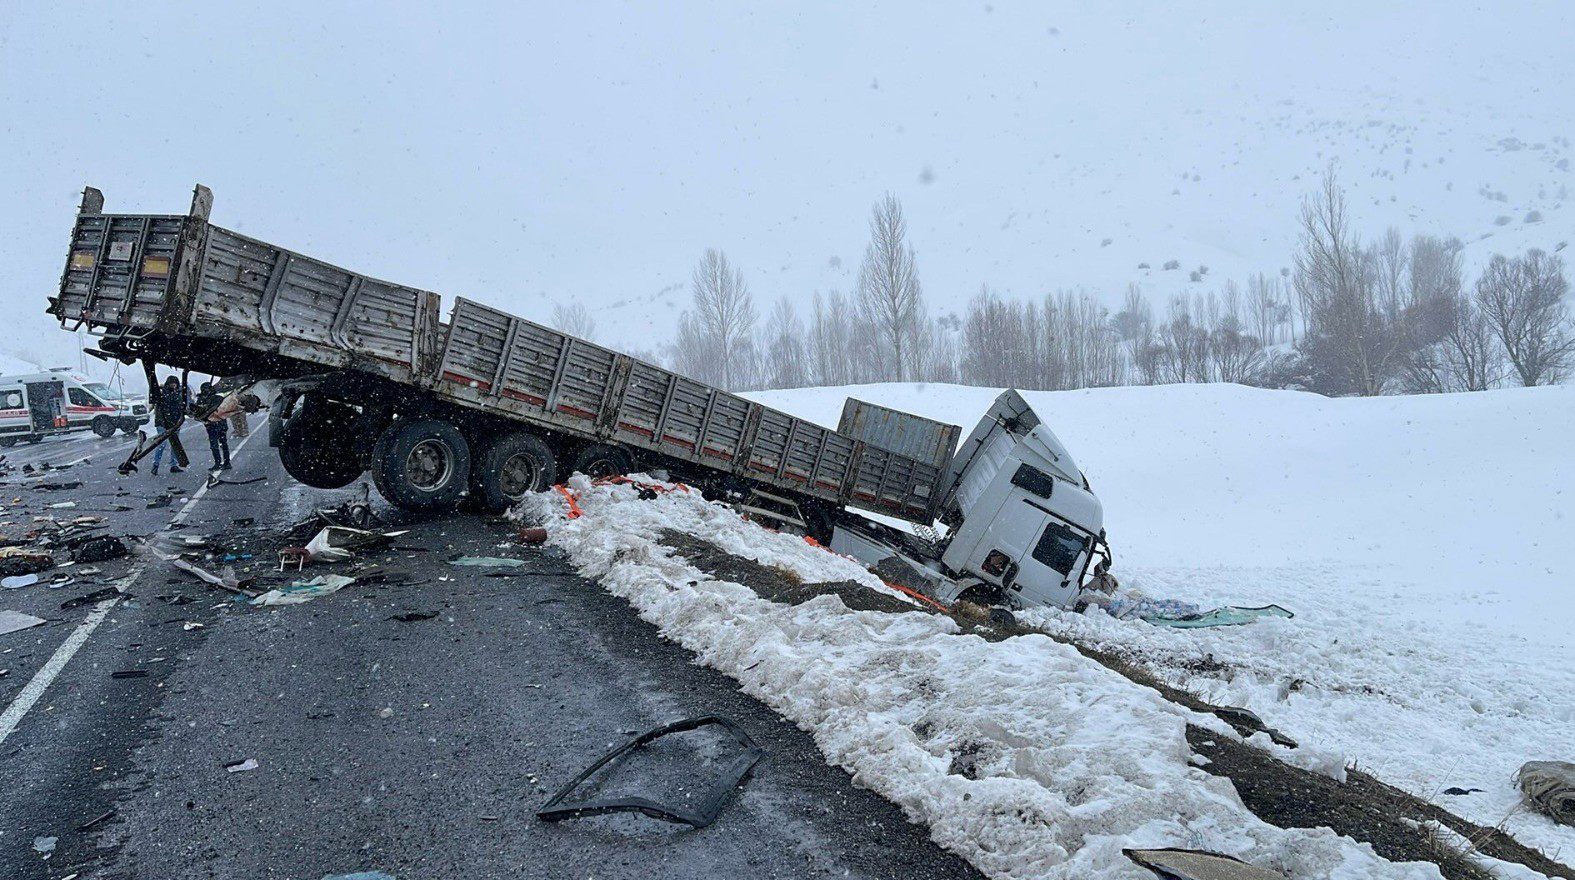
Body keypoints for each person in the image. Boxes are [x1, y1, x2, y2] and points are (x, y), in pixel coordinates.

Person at [149, 375, 188, 476]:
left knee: (174, 444)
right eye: (172, 383)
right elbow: (161, 408)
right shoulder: (163, 394)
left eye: (175, 383)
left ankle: (173, 465)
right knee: (162, 444)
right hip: (164, 422)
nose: (173, 385)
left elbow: (180, 407)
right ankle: (156, 464)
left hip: (174, 422)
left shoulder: (177, 394)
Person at [193, 382, 231, 470]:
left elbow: (198, 413)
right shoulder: (219, 398)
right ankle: (227, 462)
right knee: (223, 443)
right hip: (221, 424)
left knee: (214, 445)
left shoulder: (202, 400)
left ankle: (218, 462)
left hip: (211, 425)